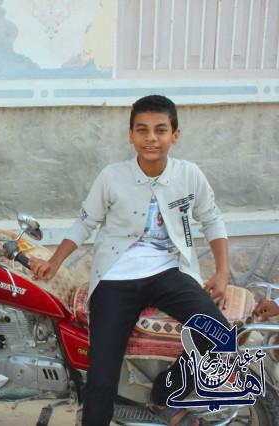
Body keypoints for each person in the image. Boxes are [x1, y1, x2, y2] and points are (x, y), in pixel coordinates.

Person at [30, 95, 230, 426]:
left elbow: (212, 219)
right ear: (130, 135)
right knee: (101, 379)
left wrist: (222, 273)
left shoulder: (189, 174)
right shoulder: (112, 176)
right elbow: (85, 222)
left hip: (169, 271)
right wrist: (55, 260)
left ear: (175, 135)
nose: (151, 138)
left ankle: (165, 393)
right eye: (142, 130)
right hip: (115, 277)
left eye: (160, 130)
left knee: (219, 335)